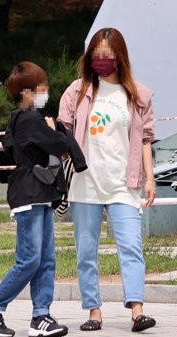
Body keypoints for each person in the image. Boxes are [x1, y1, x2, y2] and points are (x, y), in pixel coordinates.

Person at [58, 28, 157, 333]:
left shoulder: (137, 94)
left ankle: (137, 310)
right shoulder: (77, 91)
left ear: (119, 57)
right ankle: (93, 311)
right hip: (85, 183)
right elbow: (62, 134)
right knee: (86, 251)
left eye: (107, 54)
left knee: (130, 245)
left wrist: (150, 178)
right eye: (96, 54)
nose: (101, 59)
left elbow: (145, 141)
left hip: (123, 183)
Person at [0, 61, 82, 337]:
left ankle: (41, 317)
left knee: (46, 260)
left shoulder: (21, 119)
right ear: (26, 92)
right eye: (41, 87)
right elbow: (59, 145)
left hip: (41, 194)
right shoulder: (29, 119)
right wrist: (53, 130)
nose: (46, 91)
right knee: (30, 259)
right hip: (30, 194)